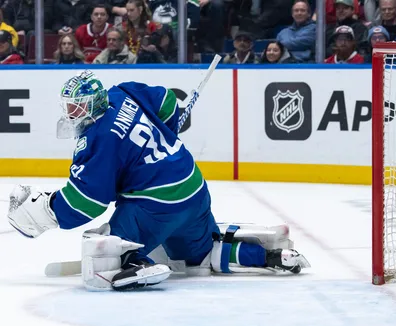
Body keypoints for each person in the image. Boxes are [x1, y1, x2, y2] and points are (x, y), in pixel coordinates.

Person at [7, 70, 309, 292]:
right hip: (193, 189)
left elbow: (87, 201)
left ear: (92, 103)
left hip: (157, 206)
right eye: (69, 106)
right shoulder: (122, 92)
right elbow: (166, 102)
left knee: (108, 243)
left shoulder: (98, 138)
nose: (72, 113)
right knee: (201, 258)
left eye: (77, 106)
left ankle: (135, 262)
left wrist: (46, 209)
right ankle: (271, 256)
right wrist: (168, 125)